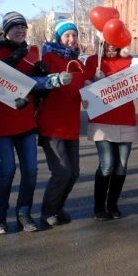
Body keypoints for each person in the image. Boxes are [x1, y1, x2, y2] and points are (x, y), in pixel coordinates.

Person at [0, 12, 71, 234]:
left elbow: (35, 89)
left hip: (24, 122)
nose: (20, 30)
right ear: (6, 31)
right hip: (1, 122)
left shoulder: (31, 54)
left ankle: (24, 213)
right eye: (15, 27)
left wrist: (42, 78)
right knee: (6, 170)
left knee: (31, 171)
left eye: (23, 26)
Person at [35, 19, 87, 228]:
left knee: (74, 172)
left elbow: (81, 90)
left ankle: (58, 207)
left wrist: (90, 89)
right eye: (67, 35)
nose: (71, 39)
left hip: (71, 125)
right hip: (52, 124)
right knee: (62, 171)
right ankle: (47, 211)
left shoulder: (79, 63)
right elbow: (39, 85)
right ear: (59, 38)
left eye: (74, 35)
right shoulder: (49, 58)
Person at [83, 42, 138, 221]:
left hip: (125, 119)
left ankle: (113, 204)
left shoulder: (131, 61)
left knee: (121, 166)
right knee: (107, 165)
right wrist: (92, 82)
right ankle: (99, 207)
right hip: (102, 120)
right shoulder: (94, 61)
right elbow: (84, 89)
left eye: (114, 43)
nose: (110, 47)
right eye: (106, 43)